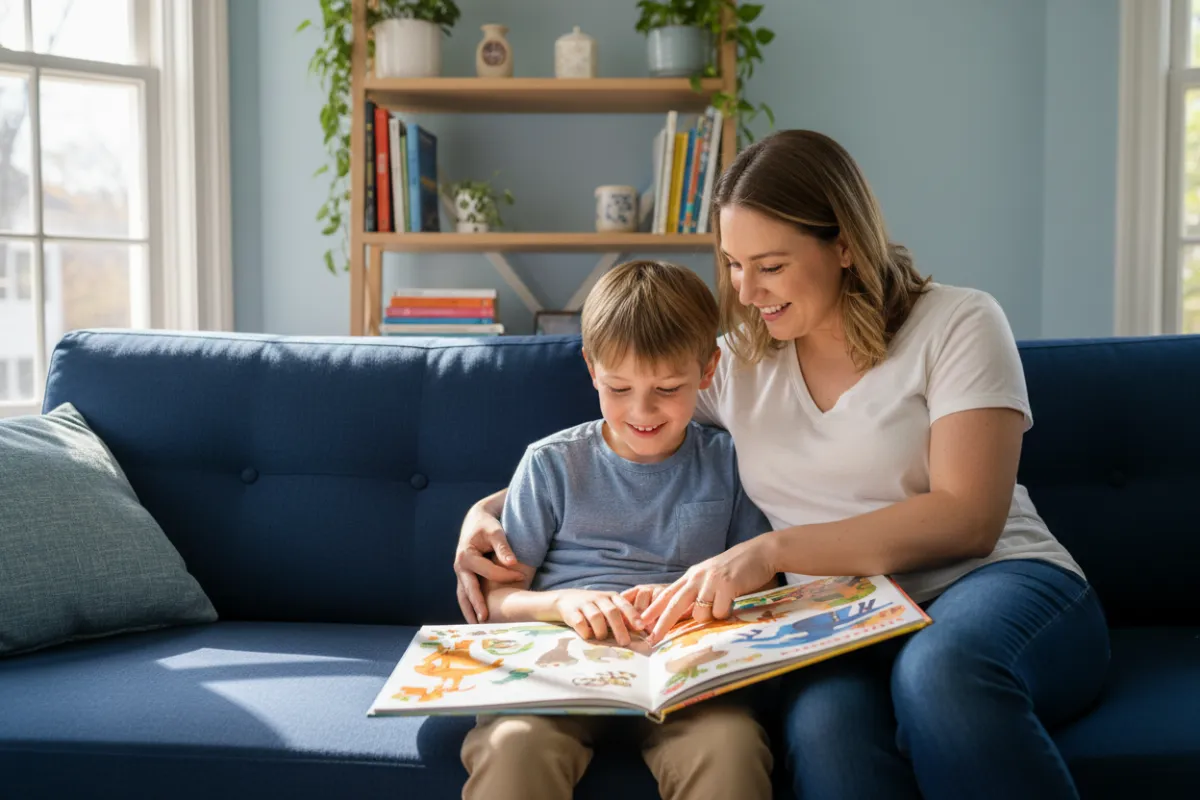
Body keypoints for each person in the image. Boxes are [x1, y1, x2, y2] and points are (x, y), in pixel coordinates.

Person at [454, 129, 1111, 800]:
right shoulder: (739, 363)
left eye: (768, 266)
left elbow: (969, 517)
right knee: (825, 731)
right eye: (733, 264)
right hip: (846, 620)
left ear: (846, 245)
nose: (744, 292)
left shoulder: (959, 323)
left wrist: (771, 552)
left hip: (992, 584)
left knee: (939, 675)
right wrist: (490, 510)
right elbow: (632, 426)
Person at [459, 259, 776, 800]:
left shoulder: (729, 463)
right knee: (515, 745)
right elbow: (498, 598)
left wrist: (701, 597)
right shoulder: (552, 464)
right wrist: (563, 604)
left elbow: (764, 584)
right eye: (619, 387)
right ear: (591, 369)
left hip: (685, 675)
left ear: (707, 371)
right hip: (560, 669)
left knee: (731, 748)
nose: (642, 410)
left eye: (669, 388)